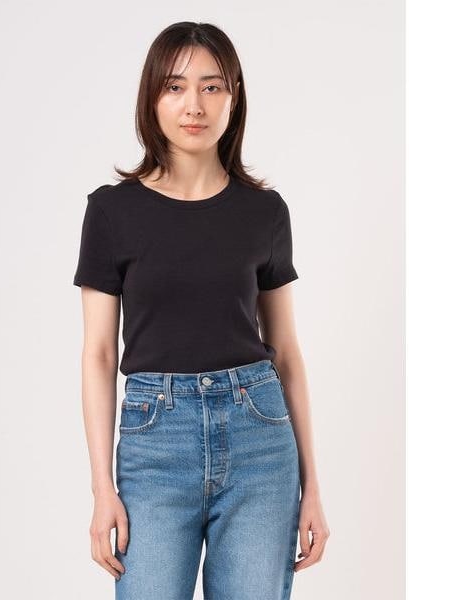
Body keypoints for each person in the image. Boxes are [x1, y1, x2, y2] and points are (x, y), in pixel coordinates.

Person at [73, 21, 329, 600]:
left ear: (234, 98)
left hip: (260, 439)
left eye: (212, 87)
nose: (194, 105)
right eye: (175, 86)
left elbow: (287, 353)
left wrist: (312, 486)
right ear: (152, 98)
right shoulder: (111, 212)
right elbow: (98, 355)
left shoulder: (264, 211)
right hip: (155, 445)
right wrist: (101, 488)